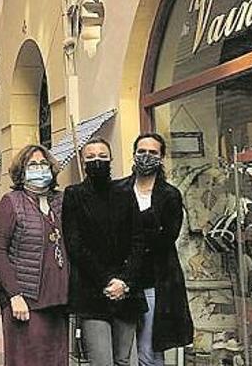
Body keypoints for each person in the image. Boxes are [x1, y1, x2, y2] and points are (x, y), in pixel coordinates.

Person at [63, 137, 146, 366]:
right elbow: (75, 244)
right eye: (90, 157)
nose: (96, 161)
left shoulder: (126, 193)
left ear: (111, 159)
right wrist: (107, 280)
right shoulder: (74, 195)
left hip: (125, 291)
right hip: (93, 291)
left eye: (102, 156)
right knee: (102, 361)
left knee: (122, 360)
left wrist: (125, 281)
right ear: (82, 161)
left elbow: (138, 240)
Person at [0, 144, 69, 366]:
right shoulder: (11, 203)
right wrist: (14, 295)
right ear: (22, 171)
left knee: (56, 360)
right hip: (26, 302)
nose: (39, 169)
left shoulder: (60, 201)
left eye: (43, 164)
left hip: (58, 300)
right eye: (32, 164)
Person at [123, 133, 193, 365]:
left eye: (153, 152)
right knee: (121, 349)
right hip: (122, 280)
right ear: (134, 154)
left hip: (155, 280)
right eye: (141, 151)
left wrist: (134, 229)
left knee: (149, 351)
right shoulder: (119, 190)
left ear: (162, 157)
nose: (146, 156)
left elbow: (166, 237)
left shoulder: (170, 195)